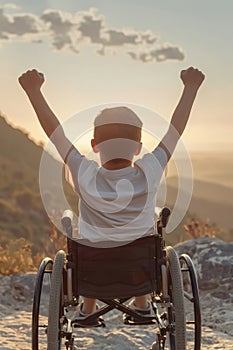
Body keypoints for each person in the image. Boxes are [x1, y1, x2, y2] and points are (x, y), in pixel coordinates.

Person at [18, 66, 205, 319]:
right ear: (138, 148)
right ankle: (141, 303)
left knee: (88, 234)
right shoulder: (148, 171)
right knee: (145, 229)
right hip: (139, 271)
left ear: (94, 145)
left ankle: (88, 307)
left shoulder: (84, 173)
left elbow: (55, 133)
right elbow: (174, 132)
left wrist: (33, 92)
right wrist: (190, 88)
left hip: (92, 272)